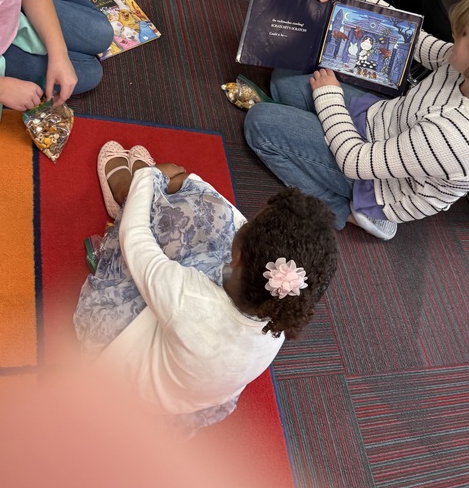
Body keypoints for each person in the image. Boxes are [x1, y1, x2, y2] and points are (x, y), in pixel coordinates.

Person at [245, 0, 469, 242]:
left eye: (461, 36)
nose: (452, 39)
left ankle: (347, 212)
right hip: (382, 123)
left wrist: (329, 99)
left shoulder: (462, 139)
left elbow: (356, 162)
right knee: (283, 79)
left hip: (376, 182)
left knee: (260, 125)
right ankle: (314, 130)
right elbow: (412, 38)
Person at [74, 141, 338, 431]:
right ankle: (152, 193)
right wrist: (197, 185)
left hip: (120, 374)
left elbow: (134, 237)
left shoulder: (187, 296)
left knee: (155, 237)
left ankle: (128, 193)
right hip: (179, 404)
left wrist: (148, 177)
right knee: (215, 218)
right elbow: (235, 220)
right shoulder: (280, 312)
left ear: (237, 256)